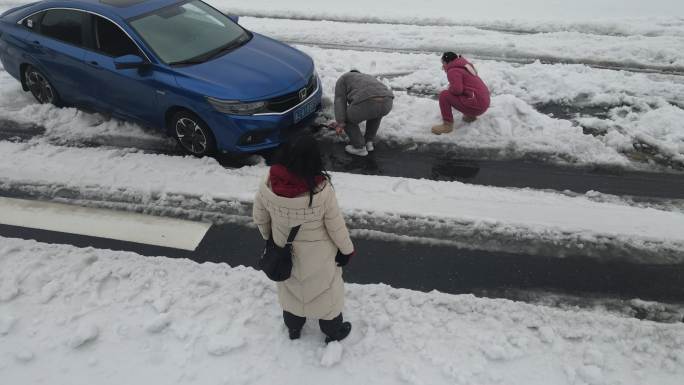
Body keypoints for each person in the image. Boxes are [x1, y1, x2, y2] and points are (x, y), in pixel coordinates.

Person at [252, 134, 356, 343]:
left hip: (283, 250)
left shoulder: (268, 184)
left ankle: (293, 327)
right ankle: (332, 330)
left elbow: (260, 217)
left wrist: (271, 241)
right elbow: (336, 227)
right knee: (325, 289)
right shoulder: (321, 191)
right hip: (318, 256)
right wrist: (347, 250)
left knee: (290, 288)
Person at [331, 70, 394, 157]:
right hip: (388, 101)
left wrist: (341, 122)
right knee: (376, 114)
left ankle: (359, 147)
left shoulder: (343, 79)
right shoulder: (367, 76)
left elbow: (339, 101)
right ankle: (369, 142)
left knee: (347, 119)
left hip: (367, 101)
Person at [431, 52, 491, 135]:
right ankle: (470, 116)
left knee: (444, 95)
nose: (442, 66)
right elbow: (468, 87)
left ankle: (447, 125)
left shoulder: (453, 71)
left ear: (446, 62)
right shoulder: (466, 67)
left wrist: (450, 88)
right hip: (484, 103)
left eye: (443, 63)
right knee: (464, 92)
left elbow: (457, 90)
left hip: (477, 106)